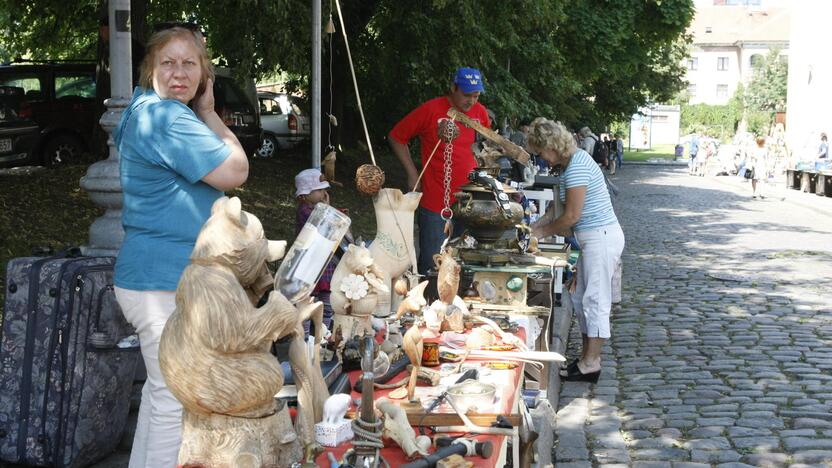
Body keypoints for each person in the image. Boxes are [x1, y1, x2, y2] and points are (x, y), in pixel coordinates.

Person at [113, 25, 249, 467]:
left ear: (204, 73)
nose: (178, 72)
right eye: (167, 62)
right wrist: (210, 114)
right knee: (176, 401)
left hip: (151, 278)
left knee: (160, 398)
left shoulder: (145, 110)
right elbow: (235, 170)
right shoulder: (167, 116)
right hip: (161, 282)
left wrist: (203, 110)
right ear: (149, 69)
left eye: (190, 63)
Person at [526, 117, 624, 384]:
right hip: (593, 239)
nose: (541, 158)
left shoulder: (577, 167)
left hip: (601, 239)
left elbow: (570, 217)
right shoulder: (572, 164)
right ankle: (586, 359)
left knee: (595, 300)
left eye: (540, 151)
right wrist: (533, 227)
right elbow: (555, 210)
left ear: (552, 146)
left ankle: (591, 362)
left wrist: (541, 233)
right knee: (581, 299)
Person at [389, 66, 491, 275]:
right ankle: (427, 304)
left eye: (476, 95)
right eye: (466, 95)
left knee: (466, 263)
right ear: (453, 88)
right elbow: (397, 136)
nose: (471, 101)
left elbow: (487, 147)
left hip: (470, 201)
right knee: (432, 263)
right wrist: (412, 173)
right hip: (437, 202)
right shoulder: (431, 109)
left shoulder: (480, 112)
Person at [295, 167, 337, 333]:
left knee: (326, 302)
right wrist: (327, 208)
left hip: (322, 262)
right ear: (305, 194)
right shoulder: (305, 210)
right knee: (307, 302)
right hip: (309, 264)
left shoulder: (316, 209)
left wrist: (326, 207)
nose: (323, 193)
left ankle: (323, 334)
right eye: (319, 190)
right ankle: (305, 337)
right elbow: (321, 224)